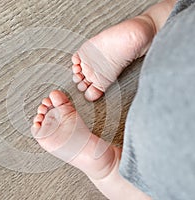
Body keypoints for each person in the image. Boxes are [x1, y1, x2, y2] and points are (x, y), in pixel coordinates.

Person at [31, 0, 195, 199]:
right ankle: (107, 168)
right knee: (156, 186)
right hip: (168, 153)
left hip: (182, 47)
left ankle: (154, 23)